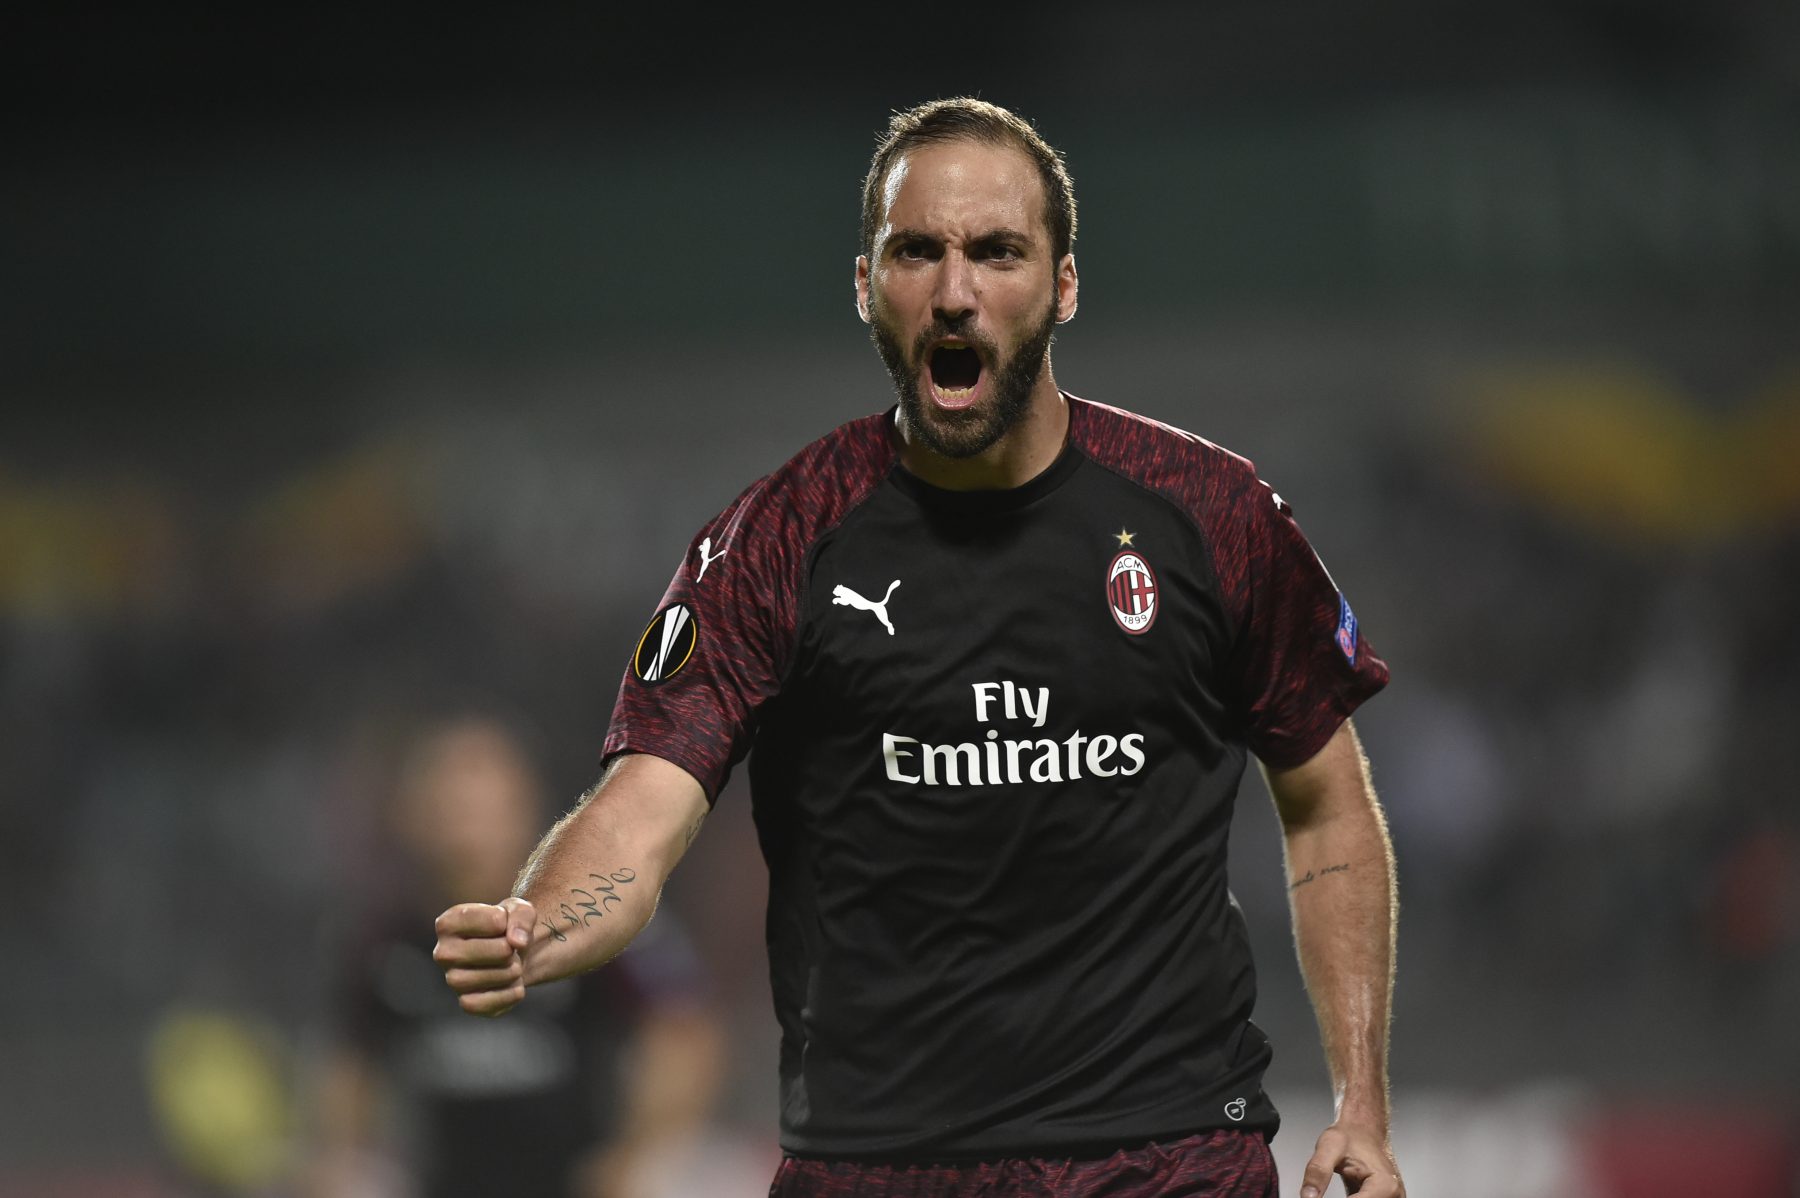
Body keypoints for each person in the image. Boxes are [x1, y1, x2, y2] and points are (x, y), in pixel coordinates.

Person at [433, 98, 1405, 1198]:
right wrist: (540, 919)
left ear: (1064, 284)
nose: (955, 291)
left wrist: (1361, 1105)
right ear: (865, 284)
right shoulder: (776, 541)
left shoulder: (1211, 516)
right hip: (876, 1166)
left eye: (996, 252)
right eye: (917, 252)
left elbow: (1326, 805)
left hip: (1167, 1153)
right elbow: (642, 809)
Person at [310, 715, 724, 1198]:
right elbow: (350, 1066)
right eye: (447, 798)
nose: (464, 819)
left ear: (527, 805)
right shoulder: (382, 941)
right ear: (408, 814)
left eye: (481, 799)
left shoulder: (591, 911)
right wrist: (346, 1156)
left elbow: (682, 1033)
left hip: (584, 1180)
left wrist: (635, 1153)